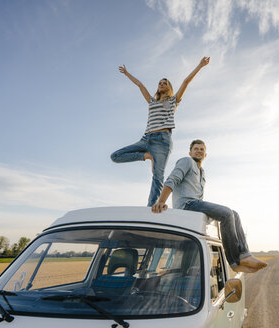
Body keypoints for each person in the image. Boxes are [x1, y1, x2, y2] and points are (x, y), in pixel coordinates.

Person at [152, 140, 267, 273]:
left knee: (234, 214)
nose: (199, 151)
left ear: (205, 154)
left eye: (202, 149)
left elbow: (200, 199)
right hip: (187, 205)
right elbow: (172, 179)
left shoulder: (203, 173)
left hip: (197, 206)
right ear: (190, 152)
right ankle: (235, 262)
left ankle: (245, 254)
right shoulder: (186, 161)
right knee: (226, 213)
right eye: (196, 149)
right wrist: (161, 201)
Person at [111, 57, 210, 206]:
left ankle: (151, 207)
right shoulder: (152, 101)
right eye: (160, 83)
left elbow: (185, 82)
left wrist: (200, 66)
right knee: (115, 156)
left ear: (169, 87)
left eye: (165, 83)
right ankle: (147, 156)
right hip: (146, 139)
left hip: (162, 141)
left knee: (157, 177)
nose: (162, 85)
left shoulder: (173, 102)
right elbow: (140, 85)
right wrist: (126, 73)